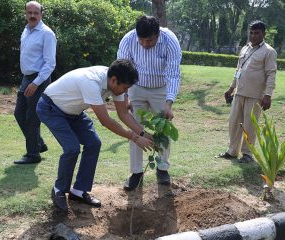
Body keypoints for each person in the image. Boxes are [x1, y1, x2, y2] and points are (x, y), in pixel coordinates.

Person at [36, 59, 154, 211]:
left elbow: (123, 113)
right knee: (72, 148)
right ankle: (59, 190)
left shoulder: (115, 82)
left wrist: (144, 133)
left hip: (74, 112)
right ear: (114, 80)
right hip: (51, 108)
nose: (125, 93)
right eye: (125, 88)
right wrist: (135, 137)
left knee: (93, 143)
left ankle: (78, 191)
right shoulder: (91, 81)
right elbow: (105, 121)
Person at [117, 15, 182, 191]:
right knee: (136, 128)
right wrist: (126, 97)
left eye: (150, 40)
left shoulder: (170, 40)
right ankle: (136, 172)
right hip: (135, 87)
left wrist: (169, 103)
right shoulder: (128, 40)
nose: (145, 44)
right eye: (142, 40)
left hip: (160, 89)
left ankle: (162, 169)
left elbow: (173, 74)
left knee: (163, 129)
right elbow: (122, 70)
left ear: (158, 34)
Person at [218, 20, 277, 163]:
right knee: (233, 123)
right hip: (239, 93)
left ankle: (247, 154)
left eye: (257, 33)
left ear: (264, 33)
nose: (253, 36)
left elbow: (271, 74)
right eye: (251, 32)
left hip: (255, 95)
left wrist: (268, 95)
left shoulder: (269, 51)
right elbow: (238, 71)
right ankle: (232, 151)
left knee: (250, 125)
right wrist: (231, 88)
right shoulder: (245, 49)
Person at [14, 1, 56, 164]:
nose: (32, 16)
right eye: (29, 12)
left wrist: (36, 83)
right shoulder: (26, 30)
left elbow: (50, 63)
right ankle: (38, 143)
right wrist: (28, 80)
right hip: (27, 78)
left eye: (36, 13)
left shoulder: (47, 34)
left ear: (41, 14)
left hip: (39, 79)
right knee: (19, 114)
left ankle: (33, 155)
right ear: (25, 14)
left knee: (32, 117)